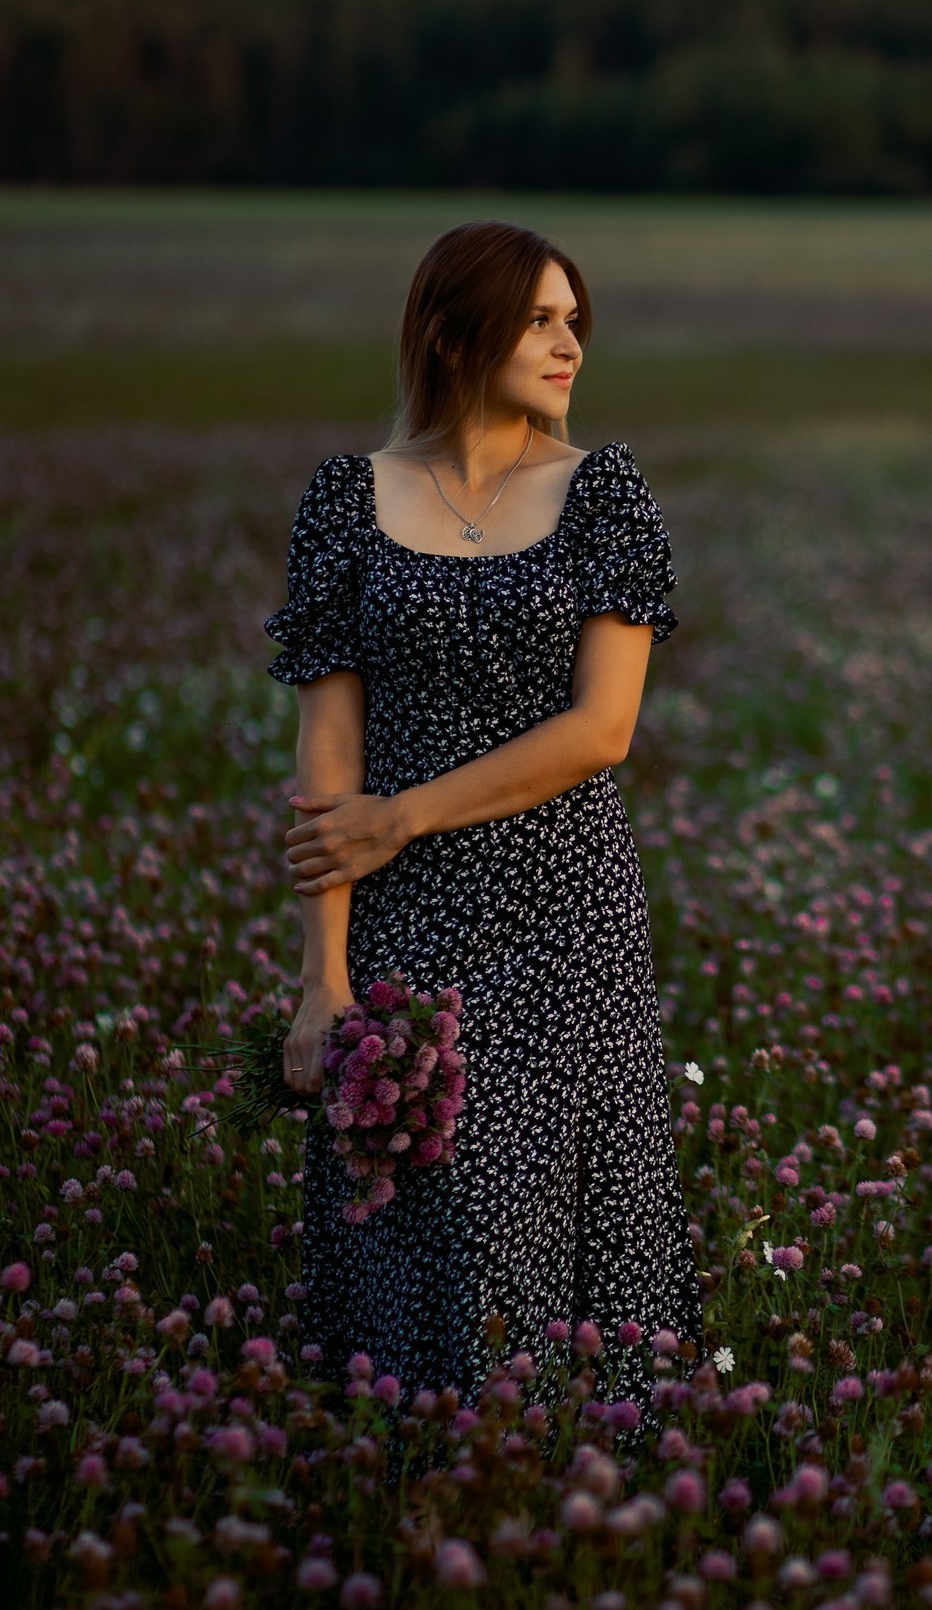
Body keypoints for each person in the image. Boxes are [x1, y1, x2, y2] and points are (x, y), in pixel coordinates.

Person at [259, 219, 701, 1421]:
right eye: (539, 320)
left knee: (528, 1212)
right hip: (398, 920)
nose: (569, 345)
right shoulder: (345, 500)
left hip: (563, 915)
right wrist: (321, 978)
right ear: (454, 334)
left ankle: (567, 1468)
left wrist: (402, 817)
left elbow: (602, 730)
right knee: (402, 1209)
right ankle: (408, 1473)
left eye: (575, 322)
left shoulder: (602, 493)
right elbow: (327, 757)